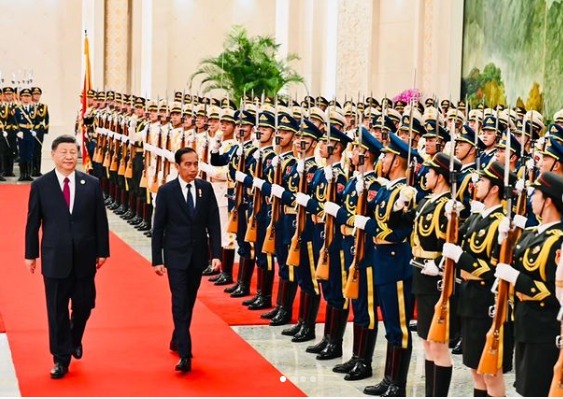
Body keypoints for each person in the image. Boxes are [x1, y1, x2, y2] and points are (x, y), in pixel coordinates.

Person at [24, 134, 110, 379]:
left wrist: (103, 251)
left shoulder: (91, 183)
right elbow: (33, 223)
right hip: (54, 257)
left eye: (73, 152)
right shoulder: (41, 185)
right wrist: (30, 254)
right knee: (56, 309)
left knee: (85, 304)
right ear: (53, 155)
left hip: (85, 257)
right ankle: (60, 358)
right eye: (64, 152)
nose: (69, 157)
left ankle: (74, 337)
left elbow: (100, 221)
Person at [151, 146, 222, 373]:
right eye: (188, 165)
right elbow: (158, 227)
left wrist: (217, 254)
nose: (193, 169)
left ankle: (176, 336)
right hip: (175, 256)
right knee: (179, 301)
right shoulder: (167, 191)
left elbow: (213, 223)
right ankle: (185, 352)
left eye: (195, 164)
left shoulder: (205, 188)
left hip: (198, 255)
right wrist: (157, 259)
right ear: (177, 166)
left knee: (189, 300)